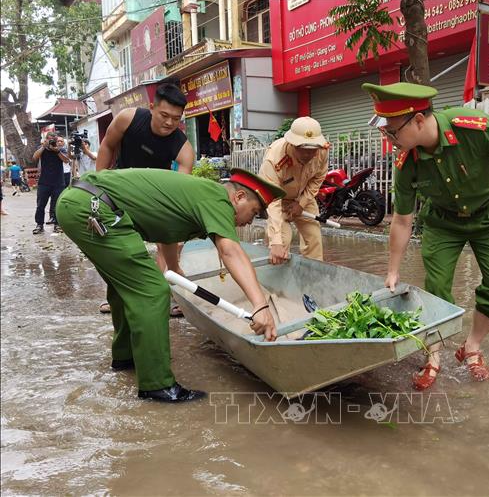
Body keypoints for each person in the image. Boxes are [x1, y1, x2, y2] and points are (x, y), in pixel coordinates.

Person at [362, 82, 489, 390]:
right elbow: (402, 220)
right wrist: (392, 271)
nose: (389, 140)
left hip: (488, 218)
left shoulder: (475, 128)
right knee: (437, 288)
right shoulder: (407, 162)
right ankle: (434, 355)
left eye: (392, 132)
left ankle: (472, 346)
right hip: (442, 223)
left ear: (418, 120)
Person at [55, 167, 286, 402]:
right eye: (254, 212)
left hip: (79, 202)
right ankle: (156, 386)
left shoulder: (200, 194)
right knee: (152, 291)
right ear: (238, 198)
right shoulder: (218, 199)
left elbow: (166, 231)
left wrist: (174, 268)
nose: (249, 222)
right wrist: (260, 306)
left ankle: (126, 357)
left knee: (125, 284)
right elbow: (231, 251)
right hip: (93, 208)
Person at [95, 77, 195, 316]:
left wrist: (168, 216)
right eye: (164, 115)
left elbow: (179, 186)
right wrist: (99, 180)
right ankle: (117, 296)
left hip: (154, 195)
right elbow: (107, 145)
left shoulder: (182, 147)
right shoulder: (128, 118)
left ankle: (173, 294)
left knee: (170, 242)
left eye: (176, 118)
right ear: (152, 107)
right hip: (119, 190)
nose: (170, 123)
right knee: (117, 247)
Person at [258, 117, 329, 265]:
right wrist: (275, 241)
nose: (308, 155)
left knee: (314, 237)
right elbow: (271, 201)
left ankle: (313, 275)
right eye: (303, 150)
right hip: (277, 199)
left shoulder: (322, 152)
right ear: (292, 144)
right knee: (281, 242)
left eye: (312, 150)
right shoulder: (274, 159)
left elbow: (318, 179)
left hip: (303, 197)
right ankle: (276, 280)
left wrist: (301, 204)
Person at [32, 131, 69, 234]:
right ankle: (39, 225)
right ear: (46, 139)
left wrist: (56, 151)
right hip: (44, 182)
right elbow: (34, 157)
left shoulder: (61, 149)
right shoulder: (42, 149)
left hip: (58, 182)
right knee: (40, 205)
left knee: (57, 205)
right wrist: (44, 147)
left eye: (54, 140)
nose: (52, 142)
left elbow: (66, 160)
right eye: (50, 139)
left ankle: (57, 225)